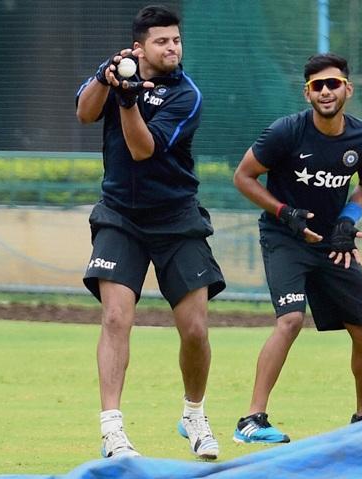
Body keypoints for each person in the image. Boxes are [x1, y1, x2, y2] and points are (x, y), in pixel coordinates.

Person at [75, 5, 226, 460]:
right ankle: (112, 430)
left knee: (195, 329)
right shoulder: (115, 74)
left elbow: (143, 149)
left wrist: (128, 102)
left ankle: (193, 415)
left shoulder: (186, 95)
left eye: (177, 40)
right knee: (117, 317)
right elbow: (84, 114)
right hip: (120, 214)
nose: (173, 48)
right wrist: (107, 80)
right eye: (163, 42)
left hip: (177, 218)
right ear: (139, 48)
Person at [232, 53, 362, 444]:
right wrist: (285, 213)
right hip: (286, 238)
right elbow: (244, 177)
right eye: (318, 86)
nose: (326, 91)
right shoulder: (286, 132)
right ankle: (251, 421)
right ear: (307, 93)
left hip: (332, 244)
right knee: (291, 320)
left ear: (347, 88)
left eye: (333, 83)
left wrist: (348, 221)